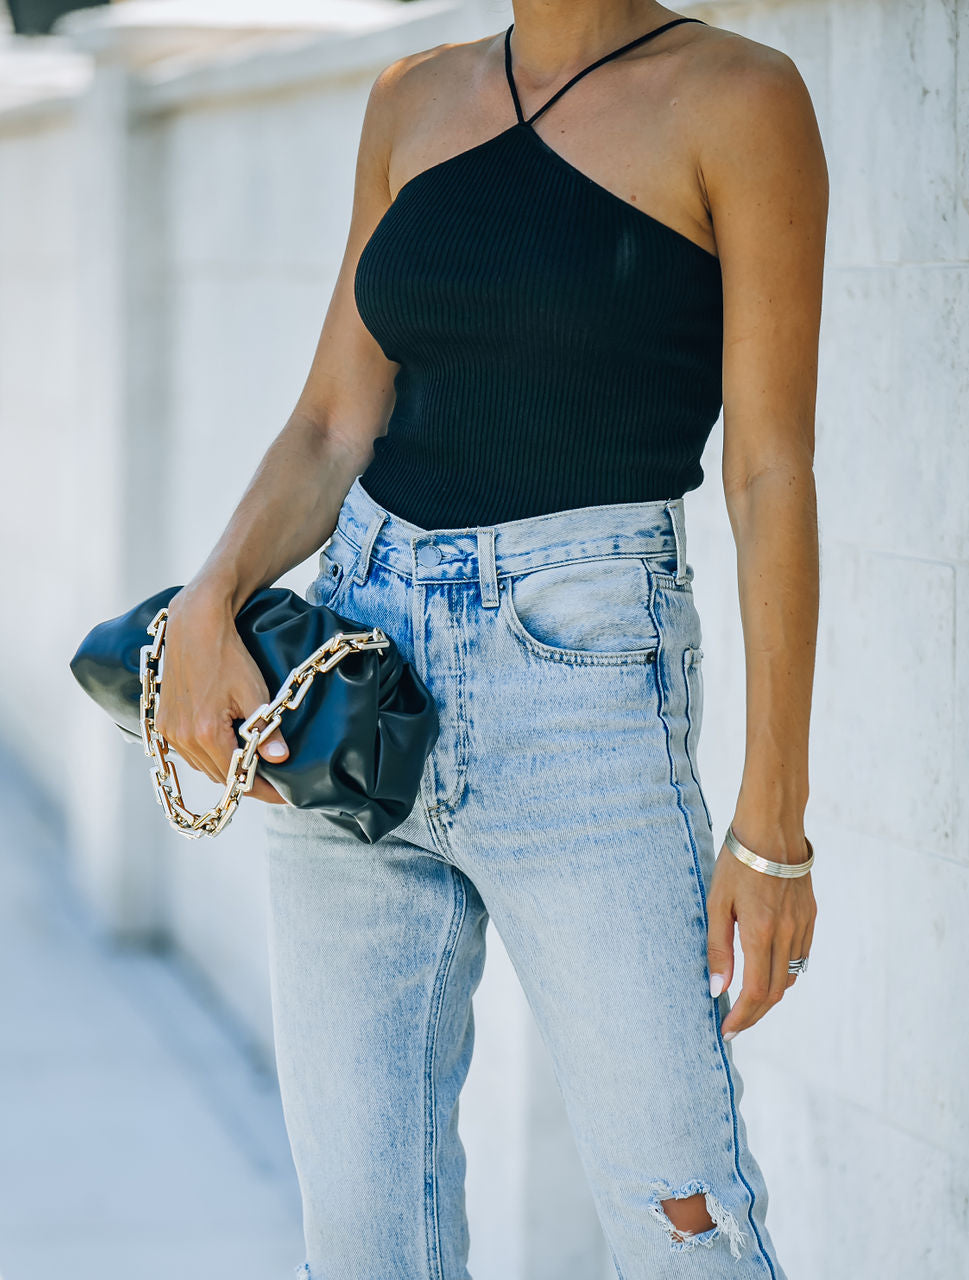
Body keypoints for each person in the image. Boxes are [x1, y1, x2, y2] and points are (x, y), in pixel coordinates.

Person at [156, 3, 827, 1276]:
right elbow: (330, 422)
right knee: (363, 1238)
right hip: (357, 692)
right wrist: (210, 592)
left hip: (582, 686)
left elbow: (769, 471)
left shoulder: (738, 98)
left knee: (680, 1222)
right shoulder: (410, 99)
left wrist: (772, 822)